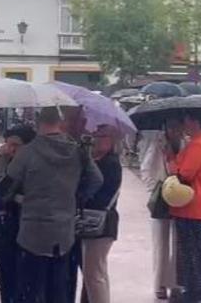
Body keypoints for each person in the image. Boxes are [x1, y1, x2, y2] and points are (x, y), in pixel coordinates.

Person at [0, 107, 102, 303]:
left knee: (30, 292)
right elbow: (96, 180)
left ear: (38, 123)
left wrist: (2, 159)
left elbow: (4, 189)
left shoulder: (27, 152)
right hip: (64, 233)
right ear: (61, 123)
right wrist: (75, 196)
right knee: (59, 291)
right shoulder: (77, 151)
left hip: (32, 233)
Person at [0, 125, 37, 303]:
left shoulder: (35, 171)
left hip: (28, 237)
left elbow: (3, 196)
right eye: (7, 144)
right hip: (2, 236)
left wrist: (6, 199)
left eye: (16, 145)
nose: (10, 149)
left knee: (27, 288)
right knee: (6, 287)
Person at [170, 110, 201, 303]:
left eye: (187, 120)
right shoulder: (199, 142)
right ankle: (197, 287)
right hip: (195, 205)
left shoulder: (198, 145)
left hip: (192, 205)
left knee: (190, 250)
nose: (185, 124)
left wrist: (171, 160)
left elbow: (184, 175)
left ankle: (194, 290)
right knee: (195, 249)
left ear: (197, 122)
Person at [78, 125, 123, 303]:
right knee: (97, 272)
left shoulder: (110, 163)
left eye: (102, 136)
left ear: (111, 140)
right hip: (95, 222)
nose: (97, 139)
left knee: (94, 275)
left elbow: (102, 194)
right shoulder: (96, 160)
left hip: (101, 222)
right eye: (95, 136)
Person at [140, 118, 183, 300]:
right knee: (160, 243)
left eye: (178, 127)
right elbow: (146, 168)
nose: (175, 131)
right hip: (160, 196)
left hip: (180, 196)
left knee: (178, 243)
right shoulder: (157, 143)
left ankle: (175, 284)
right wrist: (154, 189)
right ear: (165, 128)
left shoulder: (186, 144)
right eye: (172, 127)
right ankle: (160, 284)